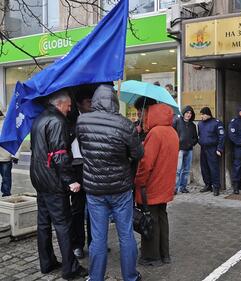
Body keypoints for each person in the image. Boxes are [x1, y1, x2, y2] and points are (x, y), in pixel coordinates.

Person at [76, 85, 143, 281]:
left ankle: (95, 277)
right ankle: (130, 277)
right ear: (114, 101)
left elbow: (84, 149)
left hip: (94, 188)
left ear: (96, 101)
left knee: (98, 238)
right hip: (121, 188)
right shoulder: (124, 124)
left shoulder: (82, 121)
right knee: (126, 235)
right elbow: (138, 153)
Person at [30, 91, 87, 280]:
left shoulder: (39, 118)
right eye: (69, 106)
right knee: (63, 224)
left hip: (39, 178)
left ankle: (47, 263)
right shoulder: (57, 121)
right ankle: (70, 268)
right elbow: (60, 155)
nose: (70, 109)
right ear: (60, 104)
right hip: (53, 181)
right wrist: (70, 180)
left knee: (43, 224)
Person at [134, 103, 179, 266]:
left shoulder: (155, 133)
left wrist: (138, 181)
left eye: (145, 113)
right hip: (165, 183)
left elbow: (146, 164)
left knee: (149, 219)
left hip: (152, 185)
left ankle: (151, 257)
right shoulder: (172, 132)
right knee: (161, 217)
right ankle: (164, 254)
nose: (144, 116)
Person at [70, 92, 93, 259]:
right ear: (79, 104)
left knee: (94, 207)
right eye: (87, 101)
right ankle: (77, 244)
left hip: (92, 166)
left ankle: (95, 242)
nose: (91, 104)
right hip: (76, 166)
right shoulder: (71, 121)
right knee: (77, 209)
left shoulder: (94, 118)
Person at [198, 107, 225, 196]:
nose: (202, 116)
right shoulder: (200, 124)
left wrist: (219, 149)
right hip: (203, 148)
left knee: (213, 168)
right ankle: (207, 185)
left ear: (208, 114)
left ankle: (216, 187)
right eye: (201, 114)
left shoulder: (216, 123)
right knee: (204, 168)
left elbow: (222, 137)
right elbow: (200, 135)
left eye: (203, 114)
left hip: (213, 149)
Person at [173, 106, 198, 194]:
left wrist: (192, 143)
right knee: (178, 170)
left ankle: (183, 187)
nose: (188, 115)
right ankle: (174, 189)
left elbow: (195, 138)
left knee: (186, 170)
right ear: (183, 113)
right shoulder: (177, 121)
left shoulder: (193, 125)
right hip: (179, 149)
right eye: (187, 113)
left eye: (190, 113)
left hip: (189, 149)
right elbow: (172, 133)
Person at [0, 110, 20, 197]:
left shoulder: (7, 123)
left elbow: (16, 139)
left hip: (5, 156)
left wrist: (15, 155)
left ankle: (6, 194)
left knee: (6, 177)